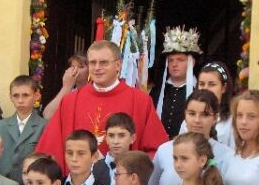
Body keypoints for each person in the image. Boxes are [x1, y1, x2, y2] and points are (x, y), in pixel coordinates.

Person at [36, 40, 168, 173]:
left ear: (118, 65)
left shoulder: (140, 101)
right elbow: (50, 148)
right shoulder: (70, 101)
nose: (97, 68)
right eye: (92, 63)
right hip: (77, 181)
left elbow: (158, 151)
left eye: (104, 62)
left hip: (122, 181)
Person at [148, 90, 232, 185]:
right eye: (192, 114)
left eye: (204, 115)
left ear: (215, 118)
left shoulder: (226, 155)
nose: (197, 120)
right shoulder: (164, 150)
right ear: (185, 114)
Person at [0, 75, 47, 185]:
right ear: (10, 97)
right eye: (16, 96)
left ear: (36, 95)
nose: (20, 100)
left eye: (26, 95)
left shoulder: (44, 126)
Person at [151, 27, 202, 139]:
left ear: (192, 62)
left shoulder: (199, 91)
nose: (174, 64)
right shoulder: (157, 91)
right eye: (171, 60)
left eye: (180, 60)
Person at [180, 61, 236, 148]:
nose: (206, 88)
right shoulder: (188, 119)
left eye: (212, 84)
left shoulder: (232, 120)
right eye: (202, 84)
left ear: (224, 87)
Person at [92, 112, 136, 185]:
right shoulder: (92, 168)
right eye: (111, 135)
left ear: (132, 138)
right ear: (106, 138)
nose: (116, 141)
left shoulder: (140, 169)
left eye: (121, 135)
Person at [43, 53, 89, 119]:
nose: (75, 70)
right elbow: (47, 115)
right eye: (73, 66)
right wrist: (66, 87)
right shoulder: (70, 92)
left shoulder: (93, 91)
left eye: (80, 67)